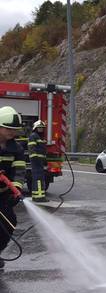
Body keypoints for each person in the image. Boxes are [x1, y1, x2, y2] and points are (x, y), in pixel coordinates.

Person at [0, 106, 26, 268]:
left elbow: (19, 171)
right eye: (9, 128)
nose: (12, 132)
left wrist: (16, 189)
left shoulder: (16, 148)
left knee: (10, 223)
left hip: (3, 195)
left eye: (15, 130)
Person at [28, 120, 48, 203]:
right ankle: (39, 197)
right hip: (36, 161)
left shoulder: (38, 137)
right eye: (39, 128)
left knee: (38, 178)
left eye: (42, 128)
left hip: (39, 161)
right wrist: (36, 158)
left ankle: (36, 196)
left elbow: (42, 150)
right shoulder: (33, 136)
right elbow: (31, 148)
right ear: (35, 128)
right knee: (38, 178)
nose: (41, 130)